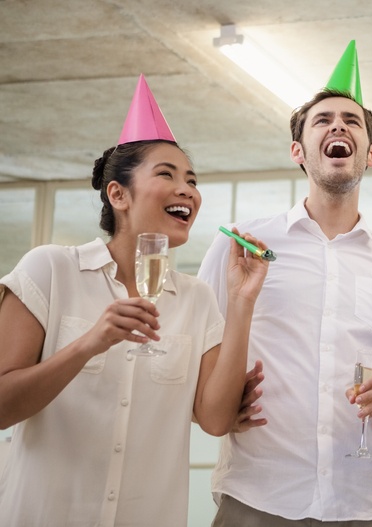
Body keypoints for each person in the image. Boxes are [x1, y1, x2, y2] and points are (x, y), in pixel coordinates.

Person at [0, 75, 269, 526]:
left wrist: (242, 302)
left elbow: (216, 420)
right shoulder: (49, 270)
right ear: (118, 194)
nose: (187, 189)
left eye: (191, 180)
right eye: (166, 175)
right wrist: (90, 342)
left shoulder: (198, 299)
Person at [198, 43, 372, 527]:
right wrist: (216, 405)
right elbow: (195, 375)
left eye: (352, 120)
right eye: (322, 120)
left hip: (367, 508)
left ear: (371, 153)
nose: (338, 126)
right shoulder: (242, 248)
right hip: (256, 499)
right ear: (298, 152)